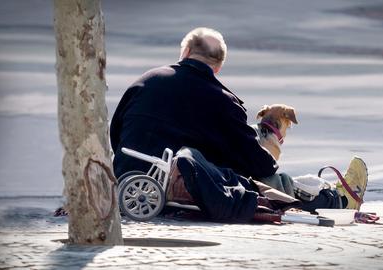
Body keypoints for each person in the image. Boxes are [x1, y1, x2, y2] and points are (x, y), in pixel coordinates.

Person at [110, 27, 367, 217]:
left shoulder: (145, 80)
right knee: (264, 183)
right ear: (218, 67)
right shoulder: (222, 100)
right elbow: (257, 163)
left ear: (185, 53)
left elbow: (115, 132)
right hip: (181, 186)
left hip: (127, 176)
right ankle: (337, 200)